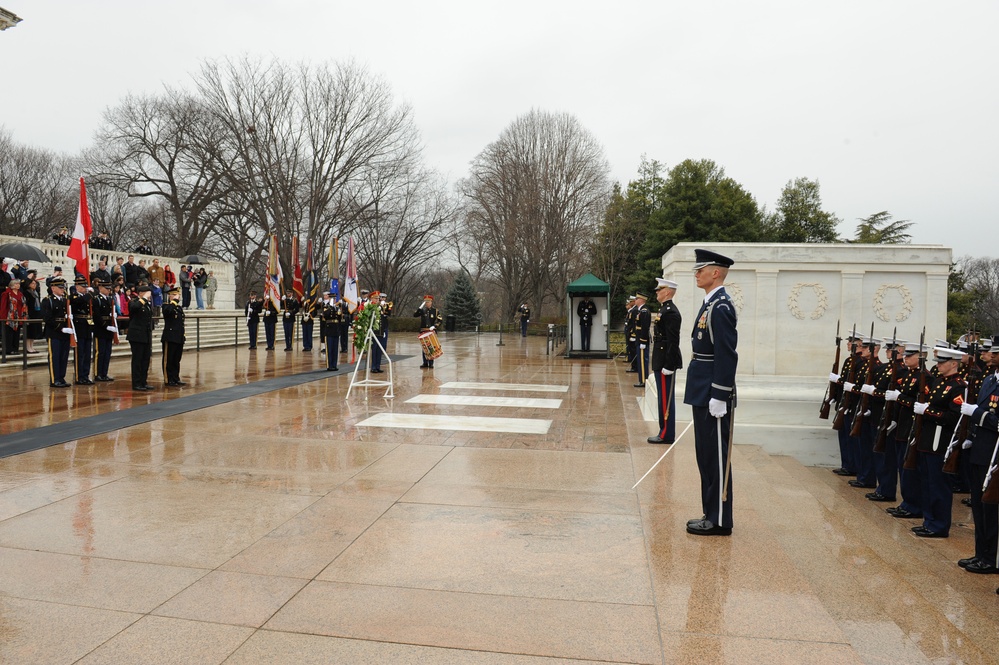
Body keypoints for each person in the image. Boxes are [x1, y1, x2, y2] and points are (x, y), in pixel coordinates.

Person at [684, 249, 738, 537]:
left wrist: (720, 394)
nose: (696, 273)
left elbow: (727, 355)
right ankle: (711, 512)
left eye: (700, 269)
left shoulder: (721, 307)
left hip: (713, 394)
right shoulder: (710, 304)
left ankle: (719, 520)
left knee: (716, 457)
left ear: (715, 272)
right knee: (705, 455)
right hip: (702, 389)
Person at [910, 346, 965, 538]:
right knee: (926, 482)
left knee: (938, 485)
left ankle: (939, 525)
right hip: (928, 439)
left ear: (953, 364)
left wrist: (927, 411)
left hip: (940, 441)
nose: (939, 365)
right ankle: (929, 521)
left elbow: (953, 417)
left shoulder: (959, 386)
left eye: (942, 362)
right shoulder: (939, 382)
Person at [958, 335, 999, 573]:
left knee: (991, 509)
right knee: (978, 506)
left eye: (995, 353)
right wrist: (970, 437)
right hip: (979, 451)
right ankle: (980, 553)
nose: (990, 356)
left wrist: (977, 414)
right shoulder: (989, 380)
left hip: (993, 454)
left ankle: (991, 559)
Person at [648, 278, 682, 444]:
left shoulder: (671, 312)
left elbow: (673, 341)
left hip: (665, 361)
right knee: (662, 397)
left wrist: (669, 365)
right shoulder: (664, 309)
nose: (656, 292)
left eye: (659, 290)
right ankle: (664, 430)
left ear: (667, 292)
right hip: (661, 358)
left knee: (665, 399)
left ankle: (666, 434)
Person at [41, 277, 72, 387]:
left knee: (64, 356)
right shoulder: (47, 300)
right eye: (60, 288)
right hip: (54, 332)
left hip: (65, 332)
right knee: (55, 356)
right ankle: (55, 379)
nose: (62, 290)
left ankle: (61, 377)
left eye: (63, 288)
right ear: (53, 288)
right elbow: (47, 318)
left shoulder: (64, 300)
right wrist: (61, 328)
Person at [127, 284, 155, 391]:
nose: (149, 296)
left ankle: (143, 381)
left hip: (145, 335)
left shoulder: (147, 304)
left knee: (145, 360)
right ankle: (137, 383)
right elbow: (134, 308)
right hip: (136, 335)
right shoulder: (134, 301)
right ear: (141, 293)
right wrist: (143, 299)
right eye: (147, 293)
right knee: (137, 360)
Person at [68, 276, 95, 385]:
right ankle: (79, 376)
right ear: (77, 287)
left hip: (87, 327)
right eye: (83, 287)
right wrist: (89, 294)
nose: (85, 288)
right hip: (79, 327)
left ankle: (85, 375)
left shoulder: (86, 296)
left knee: (87, 353)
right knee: (80, 354)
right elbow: (80, 301)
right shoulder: (73, 297)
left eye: (85, 286)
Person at [160, 285, 186, 386]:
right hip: (170, 336)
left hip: (178, 336)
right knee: (169, 359)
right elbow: (168, 312)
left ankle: (176, 377)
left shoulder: (178, 308)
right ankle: (168, 378)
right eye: (175, 295)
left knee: (176, 359)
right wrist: (173, 302)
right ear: (170, 296)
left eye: (178, 295)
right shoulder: (166, 305)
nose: (177, 297)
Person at [92, 279, 117, 382]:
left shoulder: (109, 299)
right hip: (100, 329)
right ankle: (98, 374)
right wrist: (105, 325)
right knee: (100, 353)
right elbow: (96, 316)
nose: (108, 290)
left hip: (109, 329)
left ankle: (104, 373)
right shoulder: (96, 299)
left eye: (109, 288)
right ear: (100, 288)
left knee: (107, 352)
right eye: (106, 288)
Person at [415, 294, 442, 368]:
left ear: (431, 302)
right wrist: (419, 308)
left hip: (431, 331)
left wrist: (435, 326)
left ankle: (431, 363)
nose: (427, 303)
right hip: (423, 331)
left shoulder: (435, 311)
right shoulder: (422, 310)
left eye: (428, 302)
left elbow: (440, 320)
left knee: (431, 348)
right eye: (425, 302)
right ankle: (425, 362)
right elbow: (415, 315)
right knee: (424, 348)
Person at [1, 276, 26, 354]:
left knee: (17, 334)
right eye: (16, 284)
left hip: (18, 317)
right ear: (12, 285)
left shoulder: (21, 294)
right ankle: (8, 349)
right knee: (9, 334)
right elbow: (3, 306)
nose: (18, 285)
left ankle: (15, 349)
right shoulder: (6, 293)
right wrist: (3, 317)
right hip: (9, 317)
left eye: (18, 284)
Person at [631, 293, 651, 387]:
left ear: (642, 300)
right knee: (640, 361)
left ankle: (643, 380)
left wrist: (643, 341)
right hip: (639, 339)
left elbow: (645, 327)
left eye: (637, 299)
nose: (636, 300)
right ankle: (641, 379)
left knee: (643, 361)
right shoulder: (640, 311)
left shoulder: (644, 311)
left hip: (642, 340)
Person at [321, 291, 344, 371]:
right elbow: (325, 315)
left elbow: (340, 319)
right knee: (329, 348)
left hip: (336, 329)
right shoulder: (326, 306)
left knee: (335, 348)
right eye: (332, 298)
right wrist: (330, 307)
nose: (333, 300)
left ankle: (334, 364)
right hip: (329, 329)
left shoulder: (337, 308)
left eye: (334, 298)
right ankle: (329, 365)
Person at [370, 292, 392, 373]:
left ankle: (378, 366)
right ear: (372, 299)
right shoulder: (371, 307)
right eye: (375, 298)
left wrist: (383, 330)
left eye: (378, 299)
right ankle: (373, 366)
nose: (377, 300)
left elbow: (384, 318)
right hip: (374, 332)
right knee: (374, 349)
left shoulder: (380, 307)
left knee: (379, 349)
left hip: (380, 331)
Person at [22, 277, 43, 354]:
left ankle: (32, 346)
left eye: (35, 283)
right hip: (30, 313)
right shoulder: (26, 292)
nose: (34, 285)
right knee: (30, 331)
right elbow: (26, 304)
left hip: (36, 312)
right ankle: (28, 347)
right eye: (32, 283)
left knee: (34, 331)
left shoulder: (36, 292)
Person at [624, 296, 637, 368]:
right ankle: (633, 365)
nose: (629, 303)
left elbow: (634, 324)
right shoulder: (632, 310)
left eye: (630, 301)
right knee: (630, 349)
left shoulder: (634, 310)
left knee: (633, 350)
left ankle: (634, 366)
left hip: (632, 333)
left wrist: (633, 334)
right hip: (629, 332)